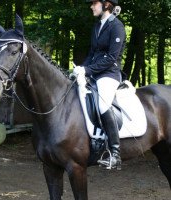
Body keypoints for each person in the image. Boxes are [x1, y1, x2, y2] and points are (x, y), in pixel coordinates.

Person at [73, 0, 126, 169]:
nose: (91, 6)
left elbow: (111, 58)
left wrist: (88, 70)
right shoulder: (97, 26)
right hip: (95, 72)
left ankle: (115, 152)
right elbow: (92, 53)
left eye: (94, 3)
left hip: (110, 74)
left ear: (106, 5)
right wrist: (81, 68)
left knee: (103, 104)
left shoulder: (117, 26)